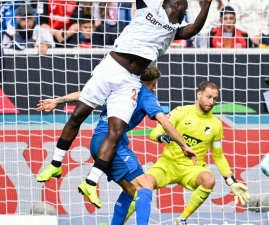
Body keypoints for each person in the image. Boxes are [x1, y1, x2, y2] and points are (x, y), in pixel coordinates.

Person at [36, 0, 213, 210]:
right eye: (185, 9)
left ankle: (90, 182)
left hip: (129, 81)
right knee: (78, 115)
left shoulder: (173, 31)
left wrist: (207, 4)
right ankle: (55, 165)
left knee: (117, 131)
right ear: (176, 6)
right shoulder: (148, 9)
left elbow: (193, 30)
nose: (186, 14)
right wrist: (57, 100)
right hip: (110, 68)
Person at [36, 66, 195, 225]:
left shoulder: (120, 85)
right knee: (145, 184)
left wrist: (56, 100)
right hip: (112, 143)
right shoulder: (147, 96)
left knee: (130, 189)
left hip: (97, 142)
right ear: (153, 82)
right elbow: (165, 123)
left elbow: (85, 94)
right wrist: (184, 146)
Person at [119, 81, 250, 225]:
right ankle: (119, 222)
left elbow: (218, 155)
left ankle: (181, 219)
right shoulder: (180, 112)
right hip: (168, 165)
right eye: (208, 97)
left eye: (215, 98)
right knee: (144, 185)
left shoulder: (216, 125)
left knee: (209, 180)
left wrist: (231, 181)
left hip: (192, 168)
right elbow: (154, 132)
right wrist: (162, 137)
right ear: (199, 94)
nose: (211, 102)